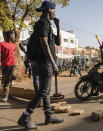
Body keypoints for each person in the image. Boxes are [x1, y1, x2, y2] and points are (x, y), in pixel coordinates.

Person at [17, 1, 64, 129]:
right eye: (54, 10)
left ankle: (49, 116)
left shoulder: (47, 25)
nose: (55, 12)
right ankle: (25, 117)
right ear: (49, 9)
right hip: (45, 62)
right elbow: (44, 43)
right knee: (43, 91)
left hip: (44, 62)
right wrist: (54, 63)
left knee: (46, 90)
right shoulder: (42, 23)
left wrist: (58, 26)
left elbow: (58, 42)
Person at [0, 30, 17, 102]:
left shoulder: (14, 45)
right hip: (5, 65)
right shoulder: (2, 44)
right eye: (13, 35)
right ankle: (5, 96)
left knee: (13, 75)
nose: (14, 36)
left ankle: (12, 79)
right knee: (6, 82)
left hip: (13, 64)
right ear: (9, 36)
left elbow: (13, 54)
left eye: (14, 35)